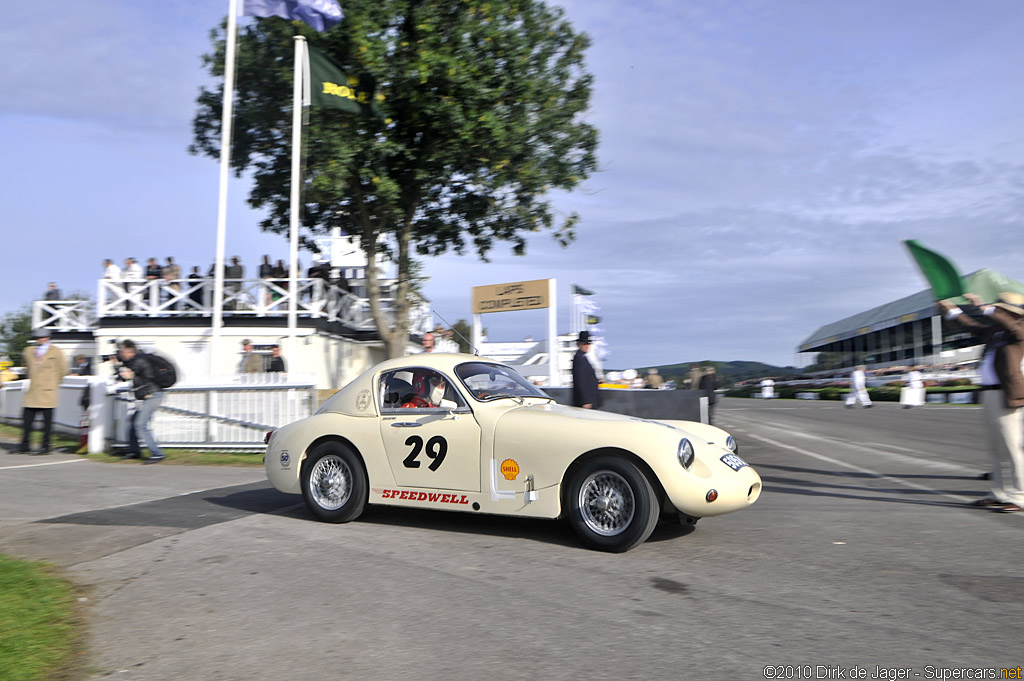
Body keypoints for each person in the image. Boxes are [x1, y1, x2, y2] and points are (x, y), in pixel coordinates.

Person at [939, 292, 1024, 512]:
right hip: (989, 394)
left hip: (1007, 394)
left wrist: (985, 307)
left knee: (1012, 446)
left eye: (1000, 311)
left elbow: (1013, 328)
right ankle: (999, 492)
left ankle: (1020, 495)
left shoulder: (1019, 331)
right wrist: (949, 308)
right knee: (997, 447)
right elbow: (969, 325)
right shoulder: (997, 333)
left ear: (1007, 313)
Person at [116, 340, 166, 464]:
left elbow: (126, 375)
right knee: (133, 422)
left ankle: (157, 453)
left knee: (140, 424)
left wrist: (117, 366)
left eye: (122, 351)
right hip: (149, 396)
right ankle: (134, 451)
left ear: (129, 351)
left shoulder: (138, 361)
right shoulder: (136, 360)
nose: (120, 353)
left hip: (153, 395)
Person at [18, 328, 67, 455]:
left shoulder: (56, 352)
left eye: (43, 337)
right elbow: (27, 367)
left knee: (47, 424)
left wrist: (53, 383)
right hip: (33, 390)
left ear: (48, 338)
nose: (40, 339)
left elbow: (63, 370)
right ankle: (24, 445)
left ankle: (45, 446)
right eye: (38, 337)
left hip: (48, 391)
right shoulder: (28, 351)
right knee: (27, 421)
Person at [571, 331, 600, 409]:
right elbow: (580, 380)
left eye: (589, 343)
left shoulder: (583, 357)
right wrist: (585, 401)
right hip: (587, 402)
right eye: (584, 343)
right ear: (578, 344)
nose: (587, 345)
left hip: (590, 400)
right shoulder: (579, 359)